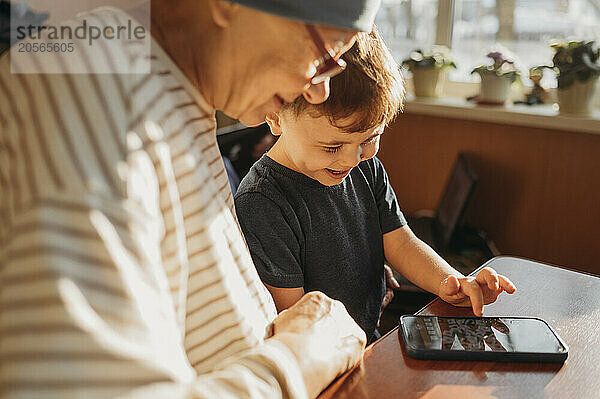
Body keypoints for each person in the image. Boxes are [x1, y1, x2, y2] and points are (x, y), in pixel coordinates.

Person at [0, 0, 383, 398]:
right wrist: (301, 356)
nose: (320, 91)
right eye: (327, 53)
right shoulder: (86, 92)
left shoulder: (170, 92)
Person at [234, 28, 517, 344]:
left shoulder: (366, 167)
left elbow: (401, 243)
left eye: (370, 139)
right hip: (320, 356)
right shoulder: (263, 203)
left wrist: (452, 282)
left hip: (368, 339)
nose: (351, 160)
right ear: (275, 117)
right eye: (331, 147)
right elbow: (293, 320)